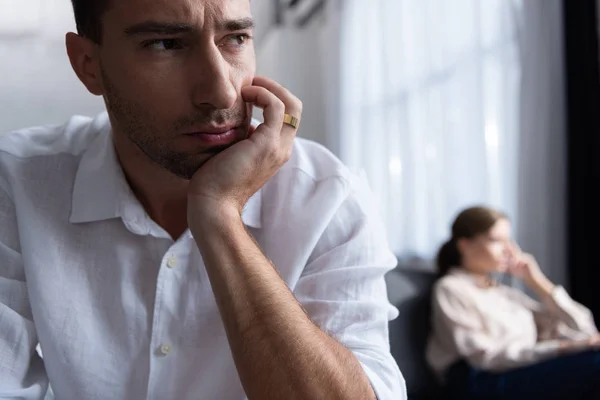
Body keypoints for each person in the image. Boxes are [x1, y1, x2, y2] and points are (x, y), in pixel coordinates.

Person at [0, 1, 406, 399]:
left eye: (235, 38)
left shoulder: (326, 196)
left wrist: (220, 218)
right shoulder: (18, 183)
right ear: (88, 64)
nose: (221, 91)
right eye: (165, 44)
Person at [426, 206, 600, 400]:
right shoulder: (451, 289)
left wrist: (537, 281)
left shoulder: (502, 293)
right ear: (464, 245)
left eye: (509, 240)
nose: (509, 250)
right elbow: (484, 358)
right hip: (479, 381)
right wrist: (563, 348)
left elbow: (585, 329)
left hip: (517, 371)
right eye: (497, 240)